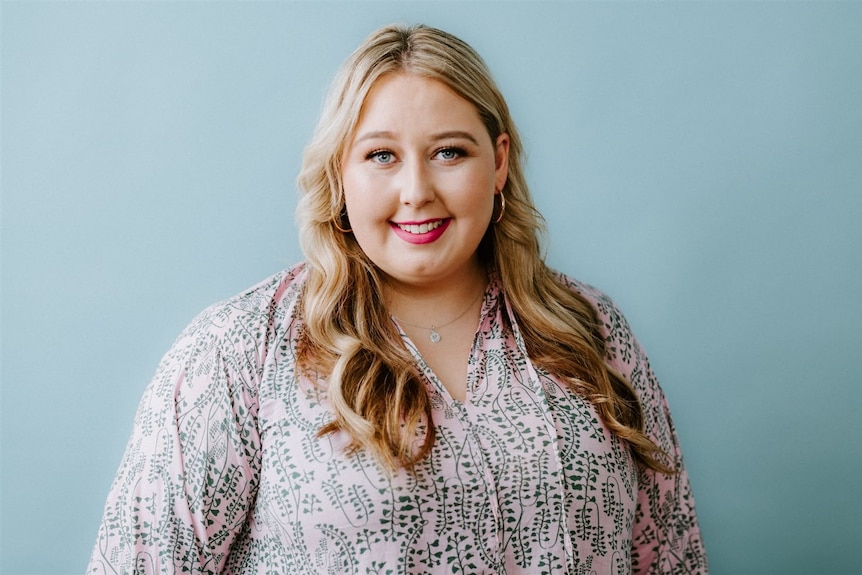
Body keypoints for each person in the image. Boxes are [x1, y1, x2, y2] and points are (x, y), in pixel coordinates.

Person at [88, 23, 708, 574]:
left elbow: (671, 555)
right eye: (381, 155)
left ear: (497, 163)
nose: (416, 190)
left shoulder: (590, 333)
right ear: (339, 174)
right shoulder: (238, 354)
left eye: (448, 152)